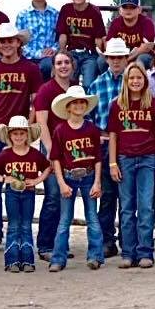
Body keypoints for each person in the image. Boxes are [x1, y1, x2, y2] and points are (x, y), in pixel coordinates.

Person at [0, 23, 42, 253]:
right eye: (2, 41)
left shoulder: (31, 69)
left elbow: (36, 101)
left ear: (18, 43)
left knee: (20, 184)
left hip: (18, 134)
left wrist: (28, 128)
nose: (6, 44)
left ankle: (20, 232)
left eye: (10, 40)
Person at [108, 62, 155, 269]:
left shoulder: (154, 104)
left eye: (139, 78)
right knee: (126, 207)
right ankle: (128, 252)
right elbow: (113, 136)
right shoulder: (117, 104)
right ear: (126, 80)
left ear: (145, 80)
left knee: (145, 207)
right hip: (124, 159)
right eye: (131, 78)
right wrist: (113, 162)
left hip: (148, 159)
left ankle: (145, 252)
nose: (135, 81)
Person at [48, 84, 105, 272]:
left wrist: (97, 181)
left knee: (92, 218)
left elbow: (97, 158)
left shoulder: (92, 130)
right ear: (68, 107)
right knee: (64, 219)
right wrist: (61, 183)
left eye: (82, 102)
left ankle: (95, 256)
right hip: (68, 176)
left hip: (88, 175)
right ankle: (58, 258)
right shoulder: (60, 130)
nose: (79, 105)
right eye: (75, 103)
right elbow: (55, 159)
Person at [87, 38, 135, 258]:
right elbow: (88, 118)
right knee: (107, 196)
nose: (116, 61)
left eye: (120, 57)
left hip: (128, 142)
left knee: (128, 195)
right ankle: (107, 240)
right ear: (106, 59)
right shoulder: (96, 85)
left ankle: (128, 238)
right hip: (105, 141)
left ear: (126, 59)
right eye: (112, 57)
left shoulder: (134, 83)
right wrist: (97, 136)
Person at [0, 115, 50, 273]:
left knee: (26, 225)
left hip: (29, 193)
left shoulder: (34, 154)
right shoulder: (5, 154)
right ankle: (12, 260)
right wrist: (3, 178)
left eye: (22, 133)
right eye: (15, 134)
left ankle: (28, 260)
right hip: (12, 193)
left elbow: (47, 167)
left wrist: (37, 180)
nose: (18, 137)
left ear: (27, 135)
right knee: (13, 225)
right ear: (10, 136)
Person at [31, 51, 76, 260]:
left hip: (73, 149)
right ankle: (45, 245)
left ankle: (61, 244)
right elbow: (42, 122)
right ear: (53, 67)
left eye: (67, 62)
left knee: (66, 198)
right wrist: (49, 149)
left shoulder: (76, 88)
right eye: (59, 63)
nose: (63, 66)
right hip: (52, 148)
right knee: (52, 197)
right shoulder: (46, 90)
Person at [58, 0, 107, 88]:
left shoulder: (94, 11)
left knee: (88, 84)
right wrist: (62, 52)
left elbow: (99, 37)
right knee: (70, 83)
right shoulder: (66, 9)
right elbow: (62, 34)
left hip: (89, 54)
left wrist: (100, 52)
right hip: (71, 52)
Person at [15, 0, 60, 79]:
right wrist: (36, 54)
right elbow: (18, 41)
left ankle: (45, 93)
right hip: (28, 56)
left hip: (48, 57)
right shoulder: (23, 15)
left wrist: (53, 49)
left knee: (47, 67)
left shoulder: (55, 14)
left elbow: (59, 38)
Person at [107, 0, 155, 69]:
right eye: (125, 7)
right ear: (120, 10)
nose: (128, 10)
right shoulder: (115, 23)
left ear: (139, 10)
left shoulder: (147, 23)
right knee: (101, 61)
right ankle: (110, 80)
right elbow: (108, 44)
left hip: (141, 56)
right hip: (120, 56)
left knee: (142, 59)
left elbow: (146, 47)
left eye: (132, 7)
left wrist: (127, 60)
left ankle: (138, 80)